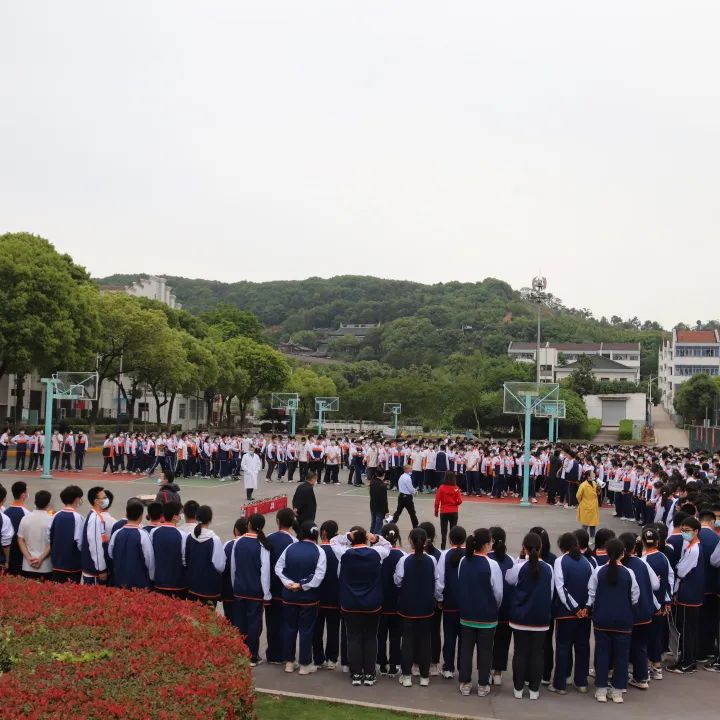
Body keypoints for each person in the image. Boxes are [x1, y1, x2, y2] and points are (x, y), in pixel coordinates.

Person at [330, 526, 392, 686]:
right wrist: (375, 538)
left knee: (354, 638)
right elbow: (388, 546)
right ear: (366, 539)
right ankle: (370, 673)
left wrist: (348, 536)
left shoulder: (345, 553)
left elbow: (333, 541)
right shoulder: (376, 553)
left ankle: (356, 673)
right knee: (371, 638)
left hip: (350, 603)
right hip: (371, 603)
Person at [588, 538, 640, 703]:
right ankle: (618, 691)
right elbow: (635, 597)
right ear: (622, 554)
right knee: (621, 657)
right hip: (623, 620)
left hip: (602, 619)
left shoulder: (598, 571)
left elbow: (591, 594)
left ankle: (601, 690)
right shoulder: (629, 573)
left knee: (602, 654)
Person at [505, 532, 554, 700]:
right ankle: (534, 690)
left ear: (524, 548)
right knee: (537, 653)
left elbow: (509, 578)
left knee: (520, 653)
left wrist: (520, 559)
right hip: (540, 618)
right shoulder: (548, 568)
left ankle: (518, 689)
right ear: (540, 549)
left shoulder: (520, 567)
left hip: (520, 617)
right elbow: (551, 592)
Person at [275, 520, 327, 675]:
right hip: (309, 598)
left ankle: (289, 662)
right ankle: (305, 664)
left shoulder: (290, 547)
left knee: (289, 628)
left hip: (289, 595)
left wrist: (289, 583)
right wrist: (302, 584)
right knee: (306, 630)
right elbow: (319, 576)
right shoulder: (319, 551)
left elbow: (278, 568)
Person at [457, 528, 503, 698]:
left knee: (466, 650)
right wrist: (493, 606)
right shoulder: (492, 565)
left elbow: (461, 583)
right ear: (485, 544)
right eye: (491, 542)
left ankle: (465, 683)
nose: (492, 544)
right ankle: (483, 685)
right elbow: (498, 592)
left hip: (467, 613)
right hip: (487, 615)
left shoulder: (464, 561)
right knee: (485, 651)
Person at [394, 527, 439, 687]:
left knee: (407, 641)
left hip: (407, 606)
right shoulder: (432, 560)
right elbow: (436, 582)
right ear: (426, 541)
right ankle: (424, 677)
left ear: (410, 541)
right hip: (426, 607)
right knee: (425, 641)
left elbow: (398, 580)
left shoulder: (404, 560)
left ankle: (406, 676)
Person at [550, 531, 593, 694]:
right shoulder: (587, 563)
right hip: (585, 614)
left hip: (567, 614)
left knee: (563, 648)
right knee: (583, 647)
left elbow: (561, 588)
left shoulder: (560, 561)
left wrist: (575, 609)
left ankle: (560, 683)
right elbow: (592, 588)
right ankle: (581, 682)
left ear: (562, 547)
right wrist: (586, 608)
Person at [618, 532, 660, 690]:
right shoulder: (643, 563)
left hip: (628, 613)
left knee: (623, 647)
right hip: (645, 612)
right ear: (635, 547)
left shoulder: (619, 565)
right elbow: (655, 584)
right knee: (641, 646)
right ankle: (641, 678)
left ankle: (619, 681)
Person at [232, 513, 272, 666]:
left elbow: (234, 568)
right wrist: (266, 594)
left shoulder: (239, 542)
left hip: (240, 589)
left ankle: (240, 652)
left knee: (240, 623)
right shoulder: (262, 544)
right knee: (254, 624)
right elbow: (265, 572)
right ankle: (253, 656)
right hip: (256, 591)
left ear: (248, 524)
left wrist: (235, 584)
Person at [668, 515, 704, 674]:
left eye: (687, 531)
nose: (684, 533)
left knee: (687, 628)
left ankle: (687, 662)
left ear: (696, 531)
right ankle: (686, 659)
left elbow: (682, 570)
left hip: (689, 593)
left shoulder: (694, 549)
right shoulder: (691, 546)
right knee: (688, 628)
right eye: (682, 530)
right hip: (691, 592)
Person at [266, 508, 298, 665]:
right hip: (287, 589)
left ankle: (272, 653)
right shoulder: (294, 542)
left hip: (270, 588)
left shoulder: (268, 538)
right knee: (287, 623)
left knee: (271, 622)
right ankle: (285, 654)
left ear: (277, 521)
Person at [108, 500, 155, 589]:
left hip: (119, 580)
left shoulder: (117, 533)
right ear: (141, 516)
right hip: (138, 582)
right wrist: (151, 577)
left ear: (126, 514)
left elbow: (111, 554)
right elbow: (149, 559)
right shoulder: (143, 535)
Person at [314, 520, 341, 670]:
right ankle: (332, 658)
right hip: (334, 597)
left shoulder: (317, 550)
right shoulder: (339, 552)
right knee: (333, 629)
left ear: (322, 533)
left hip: (318, 596)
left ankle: (318, 657)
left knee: (317, 629)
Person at [488, 526, 514, 687]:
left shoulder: (486, 559)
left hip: (490, 608)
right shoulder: (510, 559)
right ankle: (497, 672)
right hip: (506, 609)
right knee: (502, 642)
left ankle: (488, 669)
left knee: (486, 643)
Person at [377, 523, 403, 678]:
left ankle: (381, 663)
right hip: (396, 603)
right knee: (395, 635)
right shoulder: (403, 556)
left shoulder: (378, 555)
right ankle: (394, 665)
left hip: (380, 602)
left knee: (380, 635)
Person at [185, 505, 225, 605]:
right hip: (209, 588)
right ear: (210, 519)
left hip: (192, 586)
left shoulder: (190, 537)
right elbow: (220, 566)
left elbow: (187, 559)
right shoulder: (214, 539)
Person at [150, 501, 188, 598]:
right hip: (177, 583)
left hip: (158, 580)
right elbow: (184, 559)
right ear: (175, 517)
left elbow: (151, 555)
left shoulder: (154, 532)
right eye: (179, 514)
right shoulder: (182, 534)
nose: (181, 516)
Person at [49, 485, 84, 583]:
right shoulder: (78, 518)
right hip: (73, 565)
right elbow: (80, 543)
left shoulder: (55, 515)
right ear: (76, 499)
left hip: (56, 563)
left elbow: (50, 536)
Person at [17, 490, 54, 580]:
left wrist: (28, 557)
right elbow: (52, 542)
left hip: (27, 565)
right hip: (46, 566)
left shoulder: (25, 518)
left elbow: (20, 539)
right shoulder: (51, 520)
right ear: (48, 504)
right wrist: (40, 559)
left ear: (35, 502)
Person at [80, 486, 111, 585]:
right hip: (94, 572)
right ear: (96, 501)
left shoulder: (97, 516)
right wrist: (101, 569)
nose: (107, 500)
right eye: (104, 497)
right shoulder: (94, 519)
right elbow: (95, 546)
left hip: (95, 570)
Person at [4, 481, 31, 575]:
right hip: (20, 558)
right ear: (23, 495)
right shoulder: (27, 514)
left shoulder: (5, 512)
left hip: (6, 555)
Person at [434, 471, 462, 550]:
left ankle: (443, 547)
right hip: (454, 512)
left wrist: (436, 511)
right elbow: (459, 501)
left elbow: (437, 501)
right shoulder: (456, 488)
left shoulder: (441, 488)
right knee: (453, 530)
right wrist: (454, 503)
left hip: (444, 512)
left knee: (444, 531)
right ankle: (454, 547)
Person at [576, 470, 600, 543]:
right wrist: (582, 503)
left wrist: (599, 489)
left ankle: (592, 539)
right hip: (586, 506)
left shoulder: (594, 483)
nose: (594, 475)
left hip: (594, 506)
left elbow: (597, 493)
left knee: (593, 524)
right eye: (592, 474)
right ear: (588, 476)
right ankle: (583, 539)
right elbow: (578, 496)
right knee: (585, 524)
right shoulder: (583, 485)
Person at [392, 464, 418, 529]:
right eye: (410, 468)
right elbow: (410, 489)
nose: (411, 470)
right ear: (406, 469)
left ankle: (391, 524)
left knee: (398, 512)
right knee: (412, 513)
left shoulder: (402, 476)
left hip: (401, 496)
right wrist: (415, 492)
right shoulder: (408, 478)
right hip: (407, 498)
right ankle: (416, 527)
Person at [369, 470, 389, 535]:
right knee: (378, 526)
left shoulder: (372, 482)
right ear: (383, 475)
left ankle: (371, 537)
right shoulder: (382, 486)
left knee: (373, 523)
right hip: (380, 508)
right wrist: (386, 511)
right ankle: (376, 540)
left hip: (373, 506)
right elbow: (384, 500)